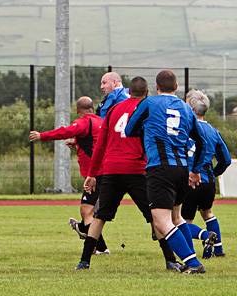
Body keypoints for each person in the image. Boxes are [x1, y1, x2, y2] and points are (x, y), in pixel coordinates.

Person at [74, 77, 181, 271]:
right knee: (155, 216)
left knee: (100, 216)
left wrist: (92, 173)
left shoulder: (114, 110)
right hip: (136, 169)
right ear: (147, 92)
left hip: (111, 169)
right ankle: (170, 260)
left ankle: (84, 261)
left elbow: (100, 145)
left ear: (128, 91)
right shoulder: (148, 109)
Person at [125, 69, 206, 274]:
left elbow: (129, 129)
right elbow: (201, 142)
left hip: (160, 169)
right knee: (177, 218)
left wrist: (146, 129)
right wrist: (195, 170)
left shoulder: (150, 103)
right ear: (177, 87)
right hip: (182, 170)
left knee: (162, 221)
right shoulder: (187, 109)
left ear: (157, 87)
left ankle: (193, 264)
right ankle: (191, 257)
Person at [29, 96, 109, 254]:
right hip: (106, 171)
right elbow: (96, 143)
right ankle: (97, 244)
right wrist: (77, 142)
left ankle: (98, 248)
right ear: (92, 108)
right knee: (91, 211)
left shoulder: (83, 122)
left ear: (78, 111)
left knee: (87, 211)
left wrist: (42, 136)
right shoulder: (101, 121)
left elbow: (64, 132)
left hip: (95, 175)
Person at [181, 89, 231, 258]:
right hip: (208, 181)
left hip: (190, 180)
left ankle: (200, 242)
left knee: (182, 220)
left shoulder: (185, 129)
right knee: (207, 212)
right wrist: (212, 175)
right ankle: (218, 249)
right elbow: (226, 160)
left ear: (191, 108)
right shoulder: (213, 131)